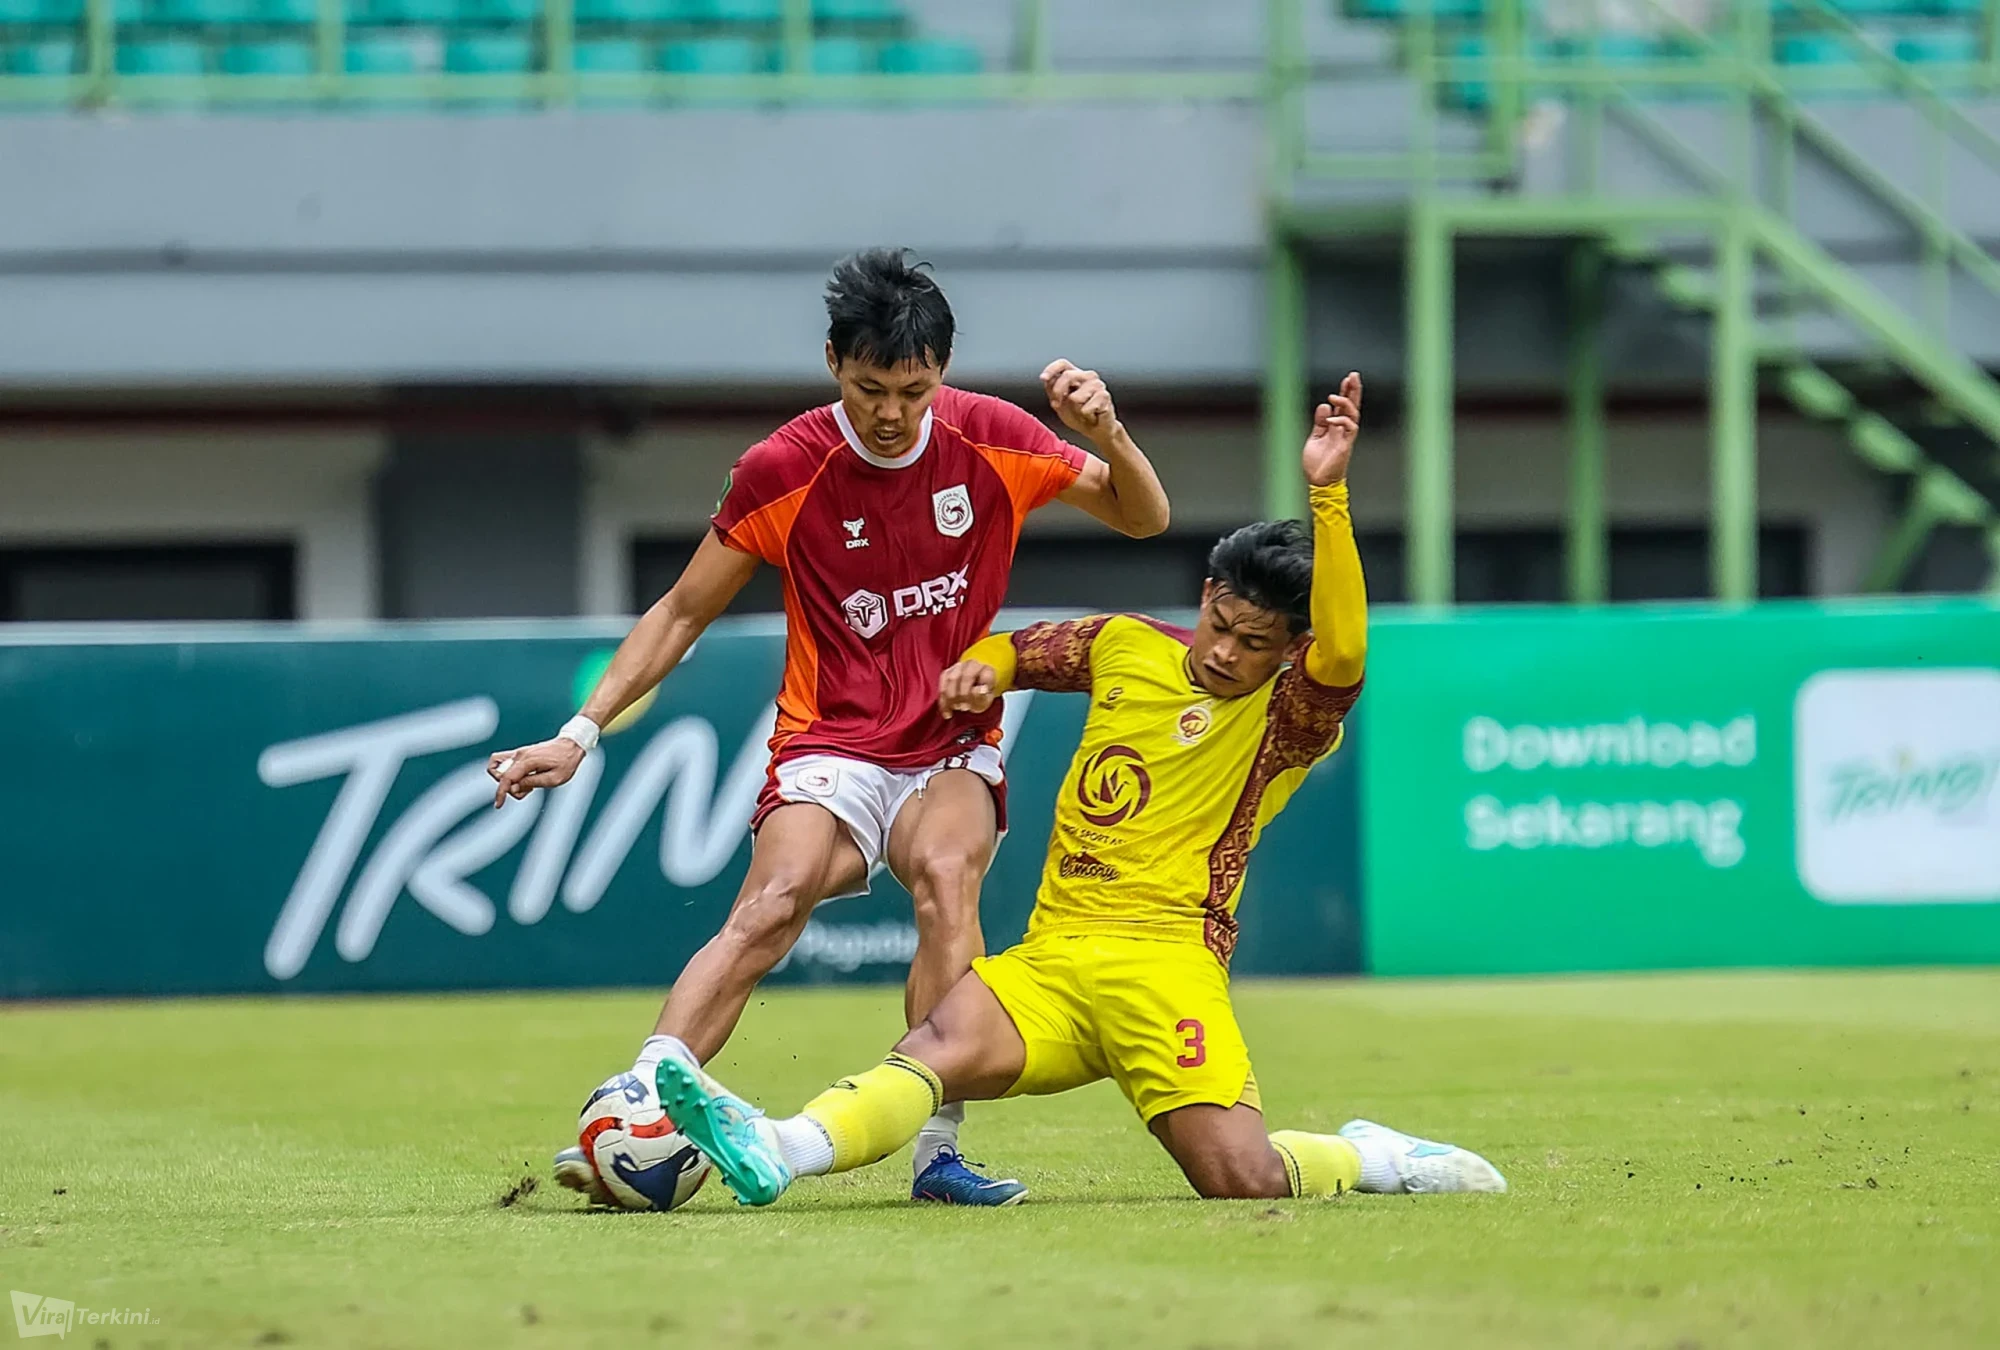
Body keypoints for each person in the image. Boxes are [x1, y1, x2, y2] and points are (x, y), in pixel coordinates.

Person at [652, 373, 1508, 1207]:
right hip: (1055, 959)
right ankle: (777, 1146)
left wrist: (1329, 495)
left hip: (1167, 968)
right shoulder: (1125, 644)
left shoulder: (1289, 718)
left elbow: (1347, 651)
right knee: (933, 1048)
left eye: (1254, 644)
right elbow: (1022, 650)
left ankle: (1373, 1156)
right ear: (1206, 596)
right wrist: (981, 670)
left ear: (1291, 650)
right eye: (1220, 624)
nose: (1225, 652)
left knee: (1237, 1177)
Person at [489, 247, 1171, 1206]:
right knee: (775, 900)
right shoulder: (783, 469)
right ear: (832, 363)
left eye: (913, 390)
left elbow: (1145, 518)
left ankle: (937, 1152)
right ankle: (639, 1105)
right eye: (869, 388)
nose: (891, 413)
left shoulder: (992, 437)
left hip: (950, 741)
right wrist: (581, 731)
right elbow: (681, 611)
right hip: (830, 740)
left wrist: (1111, 435)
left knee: (947, 878)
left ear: (942, 370)